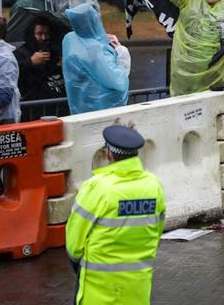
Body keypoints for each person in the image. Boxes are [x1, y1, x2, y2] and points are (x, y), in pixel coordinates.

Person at [65, 124, 165, 305]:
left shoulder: (97, 188)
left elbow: (74, 243)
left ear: (109, 154)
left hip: (98, 293)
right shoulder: (154, 185)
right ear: (136, 153)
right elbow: (156, 233)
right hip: (138, 290)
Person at [63, 3, 130, 114]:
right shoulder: (94, 49)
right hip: (102, 110)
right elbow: (117, 81)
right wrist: (121, 52)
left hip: (78, 108)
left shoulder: (69, 40)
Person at [13, 16, 66, 100]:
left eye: (47, 33)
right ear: (32, 34)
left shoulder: (56, 50)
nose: (44, 38)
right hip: (35, 104)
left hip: (59, 101)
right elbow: (11, 71)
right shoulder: (21, 53)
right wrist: (30, 62)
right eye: (39, 33)